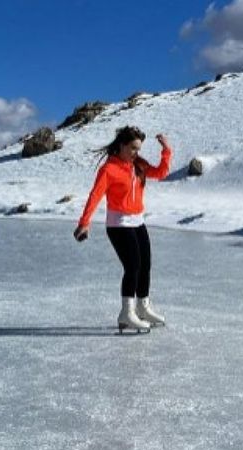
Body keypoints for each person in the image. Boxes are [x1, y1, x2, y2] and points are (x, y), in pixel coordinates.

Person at [73, 125, 172, 333]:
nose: (136, 153)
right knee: (133, 266)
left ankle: (142, 307)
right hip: (118, 224)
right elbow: (95, 195)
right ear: (122, 145)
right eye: (133, 148)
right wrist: (84, 223)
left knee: (145, 265)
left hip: (138, 221)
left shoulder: (138, 165)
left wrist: (166, 150)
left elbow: (161, 173)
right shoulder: (109, 169)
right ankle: (126, 313)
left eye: (139, 149)